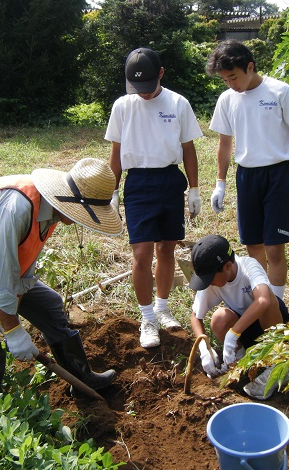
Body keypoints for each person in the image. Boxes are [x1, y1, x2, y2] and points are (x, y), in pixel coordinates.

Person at [0, 157, 123, 389]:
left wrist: (13, 314)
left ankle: (81, 378)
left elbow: (22, 265)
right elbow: (0, 278)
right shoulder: (18, 208)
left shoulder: (52, 210)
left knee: (50, 304)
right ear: (73, 201)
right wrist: (13, 330)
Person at [205, 39, 289, 300]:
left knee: (274, 248)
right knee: (253, 246)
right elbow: (225, 144)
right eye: (225, 80)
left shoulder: (279, 91)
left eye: (233, 77)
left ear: (250, 67)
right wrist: (220, 182)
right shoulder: (227, 100)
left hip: (277, 175)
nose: (231, 84)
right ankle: (261, 301)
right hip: (247, 176)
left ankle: (277, 306)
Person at [105, 47, 203, 348]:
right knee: (141, 253)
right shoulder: (123, 106)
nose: (143, 94)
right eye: (137, 88)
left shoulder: (178, 103)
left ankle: (162, 307)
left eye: (147, 87)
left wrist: (194, 188)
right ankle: (146, 318)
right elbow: (116, 153)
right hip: (138, 183)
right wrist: (113, 190)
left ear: (160, 74)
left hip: (170, 180)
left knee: (166, 249)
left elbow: (188, 148)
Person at [188, 234, 289, 399]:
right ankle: (242, 363)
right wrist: (204, 347)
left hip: (272, 327)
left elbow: (264, 300)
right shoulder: (213, 281)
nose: (209, 283)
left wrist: (232, 334)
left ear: (228, 266)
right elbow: (195, 316)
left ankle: (278, 366)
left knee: (267, 300)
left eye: (210, 278)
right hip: (246, 331)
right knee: (219, 318)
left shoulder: (249, 266)